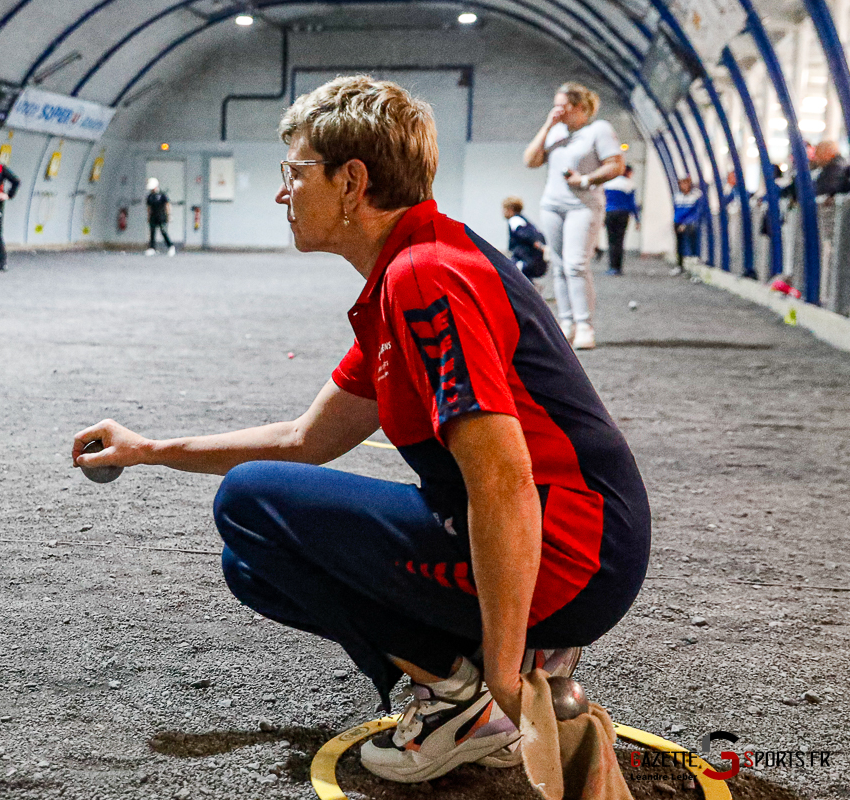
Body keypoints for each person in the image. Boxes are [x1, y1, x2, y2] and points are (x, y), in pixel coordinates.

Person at [73, 76, 650, 784]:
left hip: (576, 551)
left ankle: (465, 699)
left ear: (351, 182)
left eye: (295, 172)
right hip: (561, 535)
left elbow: (503, 480)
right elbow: (304, 441)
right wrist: (149, 450)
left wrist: (503, 676)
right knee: (253, 563)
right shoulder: (408, 270)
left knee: (248, 500)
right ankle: (475, 674)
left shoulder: (427, 276)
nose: (284, 192)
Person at [523, 82, 624, 351]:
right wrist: (547, 126)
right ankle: (565, 324)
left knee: (576, 265)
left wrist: (586, 179)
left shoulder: (598, 130)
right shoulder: (555, 131)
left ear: (580, 108)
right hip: (553, 205)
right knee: (558, 265)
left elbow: (616, 164)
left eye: (563, 105)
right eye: (555, 105)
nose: (557, 110)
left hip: (583, 206)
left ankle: (585, 326)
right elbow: (530, 160)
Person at [602, 164, 639, 276]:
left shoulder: (608, 184)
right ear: (628, 172)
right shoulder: (629, 184)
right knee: (620, 240)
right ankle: (618, 267)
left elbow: (603, 201)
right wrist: (637, 219)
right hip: (623, 214)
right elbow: (632, 204)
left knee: (611, 240)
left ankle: (611, 266)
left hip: (609, 213)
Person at [500, 196, 546, 281]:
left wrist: (537, 244)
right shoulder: (523, 220)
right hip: (531, 260)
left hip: (524, 260)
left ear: (510, 209)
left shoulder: (515, 220)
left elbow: (525, 234)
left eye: (504, 209)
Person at [671, 175, 703, 276]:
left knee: (691, 244)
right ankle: (680, 265)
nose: (683, 186)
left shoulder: (695, 196)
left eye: (685, 183)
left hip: (690, 224)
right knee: (679, 244)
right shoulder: (677, 197)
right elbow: (676, 210)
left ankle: (693, 268)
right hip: (678, 223)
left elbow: (696, 212)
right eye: (681, 183)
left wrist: (686, 223)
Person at [144, 177, 176, 256]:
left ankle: (171, 247)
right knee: (152, 233)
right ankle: (152, 248)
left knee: (164, 232)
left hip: (162, 216)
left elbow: (167, 205)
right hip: (153, 217)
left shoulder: (162, 195)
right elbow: (149, 208)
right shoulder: (150, 196)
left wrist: (169, 215)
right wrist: (148, 217)